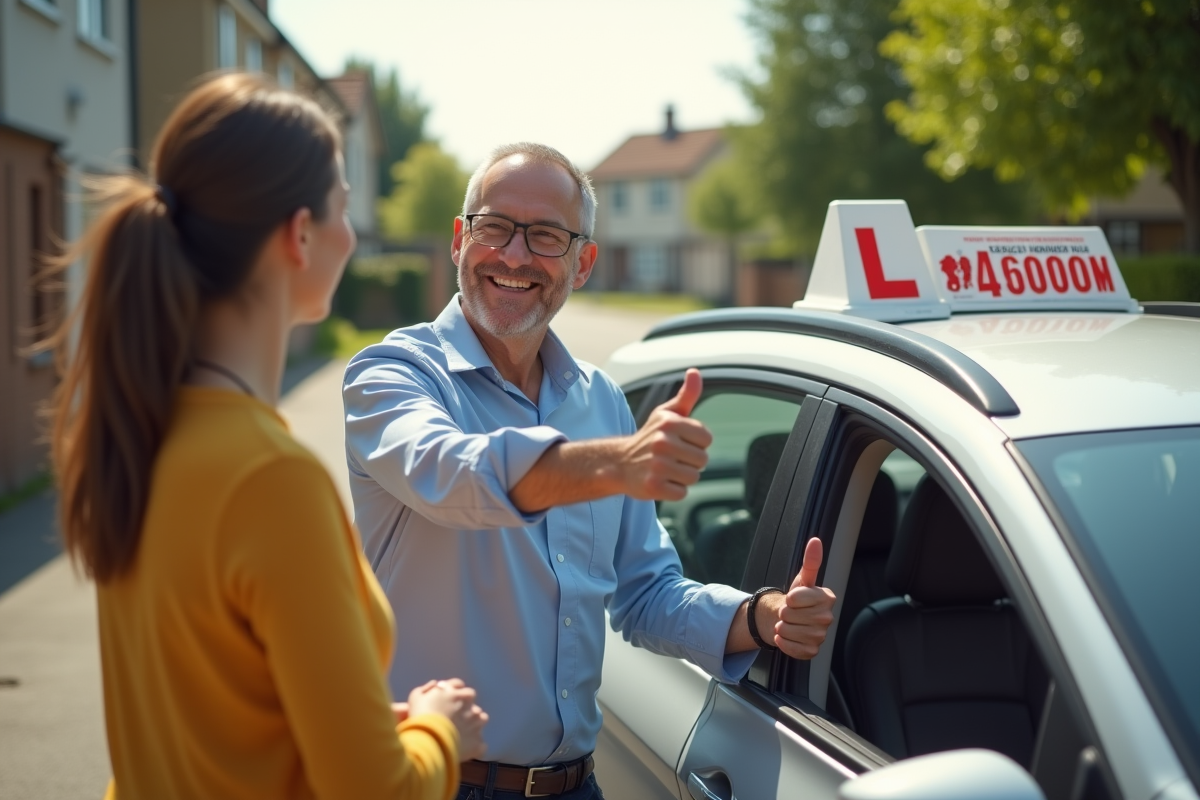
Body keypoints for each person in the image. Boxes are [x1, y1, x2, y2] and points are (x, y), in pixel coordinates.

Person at [343, 142, 837, 799]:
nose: (514, 256)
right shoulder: (393, 374)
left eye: (546, 236)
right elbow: (453, 475)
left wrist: (758, 618)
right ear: (461, 240)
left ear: (583, 264)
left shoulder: (599, 399)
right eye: (495, 227)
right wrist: (616, 462)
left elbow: (642, 592)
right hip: (432, 782)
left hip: (577, 784)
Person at [48, 73, 487, 800]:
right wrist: (438, 729)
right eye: (344, 206)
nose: (352, 232)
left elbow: (203, 721)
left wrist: (357, 723)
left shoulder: (143, 434)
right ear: (301, 233)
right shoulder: (269, 480)